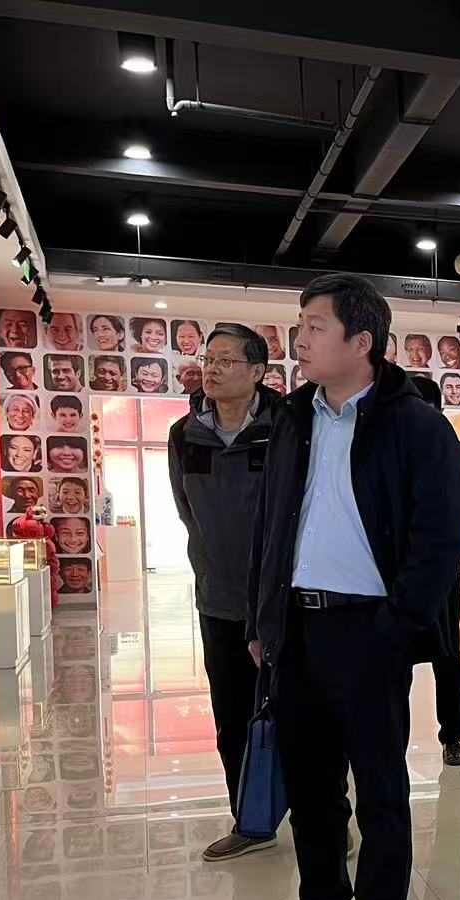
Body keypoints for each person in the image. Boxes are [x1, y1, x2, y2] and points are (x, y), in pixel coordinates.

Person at [246, 273, 460, 900]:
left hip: (369, 628)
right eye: (300, 324)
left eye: (315, 326)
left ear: (361, 340)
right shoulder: (293, 418)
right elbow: (270, 525)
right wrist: (262, 616)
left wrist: (399, 624)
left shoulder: (415, 425)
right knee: (310, 785)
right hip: (297, 628)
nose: (300, 338)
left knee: (378, 785)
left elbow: (442, 535)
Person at [171, 323, 284, 860]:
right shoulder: (184, 434)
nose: (211, 369)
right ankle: (251, 821)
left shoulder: (285, 427)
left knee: (302, 717)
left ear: (258, 371)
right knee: (232, 718)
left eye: (225, 361)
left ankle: (327, 820)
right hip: (218, 599)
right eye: (207, 359)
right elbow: (187, 511)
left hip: (280, 601)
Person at [409, 374, 460, 768]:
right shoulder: (390, 449)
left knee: (447, 655)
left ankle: (453, 736)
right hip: (396, 576)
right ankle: (381, 738)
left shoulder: (456, 452)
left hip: (441, 575)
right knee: (390, 660)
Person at [7, 503, 60, 607]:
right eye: (38, 512)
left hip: (44, 560)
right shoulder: (25, 523)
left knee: (49, 585)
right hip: (32, 560)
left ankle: (48, 604)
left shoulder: (44, 527)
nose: (41, 515)